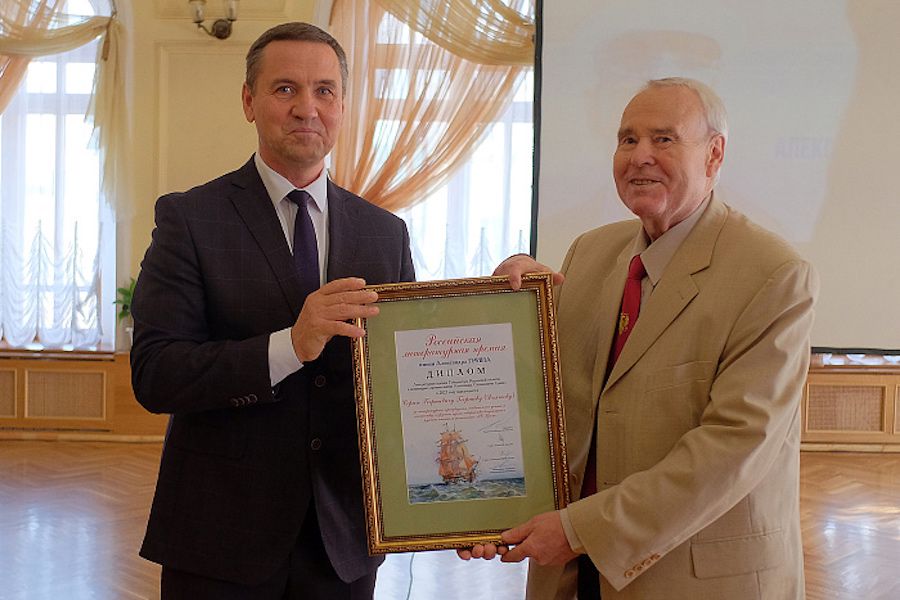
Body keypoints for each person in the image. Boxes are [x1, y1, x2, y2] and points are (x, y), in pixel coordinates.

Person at [463, 78, 818, 599]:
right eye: (627, 139)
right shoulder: (589, 253)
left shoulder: (774, 274)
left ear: (714, 155)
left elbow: (734, 448)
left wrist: (579, 530)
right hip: (572, 576)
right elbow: (546, 397)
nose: (639, 156)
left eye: (664, 139)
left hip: (691, 581)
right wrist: (517, 305)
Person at [130, 22, 414, 599]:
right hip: (220, 537)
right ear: (248, 101)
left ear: (342, 106)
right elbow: (156, 374)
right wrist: (291, 345)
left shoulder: (386, 233)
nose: (307, 107)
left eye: (325, 90)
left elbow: (403, 380)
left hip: (344, 544)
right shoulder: (190, 219)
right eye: (286, 89)